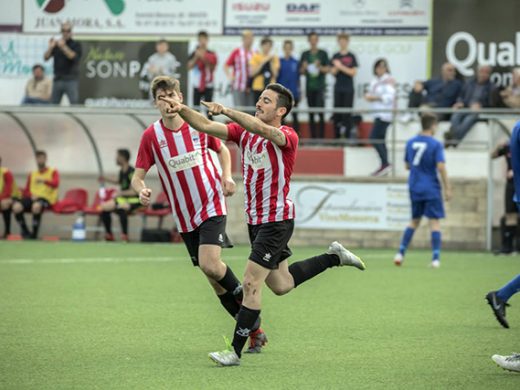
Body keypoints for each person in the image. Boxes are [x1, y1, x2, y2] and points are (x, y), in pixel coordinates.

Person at [159, 82, 366, 367]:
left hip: (277, 220)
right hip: (256, 222)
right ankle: (334, 257)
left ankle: (235, 351)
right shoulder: (245, 132)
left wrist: (228, 111)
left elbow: (263, 130)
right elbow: (207, 126)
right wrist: (181, 109)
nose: (259, 103)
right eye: (259, 99)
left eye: (266, 101)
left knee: (249, 284)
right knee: (282, 284)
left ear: (281, 110)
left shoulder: (287, 135)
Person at [131, 75, 268, 354]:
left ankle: (246, 302)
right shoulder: (151, 136)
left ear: (180, 98)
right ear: (156, 103)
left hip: (211, 204)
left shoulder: (197, 126)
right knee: (214, 282)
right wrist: (141, 189)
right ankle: (255, 331)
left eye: (172, 95)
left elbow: (223, 151)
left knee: (210, 264)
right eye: (162, 97)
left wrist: (227, 177)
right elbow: (138, 175)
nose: (168, 101)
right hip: (184, 216)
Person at [393, 113, 452, 268]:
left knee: (414, 220)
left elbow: (407, 165)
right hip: (431, 187)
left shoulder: (411, 142)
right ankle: (435, 259)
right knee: (434, 222)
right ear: (433, 126)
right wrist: (448, 187)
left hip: (415, 186)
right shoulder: (435, 144)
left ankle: (400, 253)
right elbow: (440, 166)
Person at [444, 65, 495, 147]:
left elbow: (492, 104)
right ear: (478, 72)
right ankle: (454, 139)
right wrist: (460, 102)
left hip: (479, 112)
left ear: (489, 74)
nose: (483, 74)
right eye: (482, 72)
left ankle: (453, 139)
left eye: (486, 72)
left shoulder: (492, 87)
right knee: (455, 116)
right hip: (466, 107)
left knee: (469, 119)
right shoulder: (469, 83)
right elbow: (461, 96)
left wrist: (481, 106)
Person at [12, 151, 59, 239]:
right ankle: (25, 231)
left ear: (46, 159)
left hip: (46, 198)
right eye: (38, 158)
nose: (40, 160)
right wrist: (31, 195)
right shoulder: (32, 173)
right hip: (32, 197)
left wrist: (44, 180)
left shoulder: (53, 171)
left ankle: (34, 234)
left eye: (42, 158)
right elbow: (26, 190)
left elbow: (56, 184)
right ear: (36, 160)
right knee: (16, 207)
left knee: (36, 206)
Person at [98, 149, 142, 242]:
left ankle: (125, 236)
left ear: (122, 158)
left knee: (122, 207)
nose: (116, 159)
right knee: (104, 208)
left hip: (135, 200)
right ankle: (109, 234)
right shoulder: (122, 171)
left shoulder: (131, 172)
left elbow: (134, 191)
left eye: (117, 156)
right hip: (124, 199)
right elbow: (119, 181)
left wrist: (119, 193)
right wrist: (105, 179)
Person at [364, 58, 396, 176]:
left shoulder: (388, 80)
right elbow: (371, 93)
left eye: (383, 67)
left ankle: (386, 163)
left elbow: (390, 97)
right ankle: (384, 165)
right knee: (380, 139)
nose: (381, 70)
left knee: (374, 137)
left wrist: (375, 98)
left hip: (385, 114)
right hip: (377, 113)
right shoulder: (375, 81)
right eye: (378, 67)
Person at [43, 22, 82, 105]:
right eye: (63, 31)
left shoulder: (76, 44)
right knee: (53, 105)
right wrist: (50, 47)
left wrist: (63, 47)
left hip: (70, 80)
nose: (65, 33)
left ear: (71, 32)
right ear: (61, 32)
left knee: (74, 104)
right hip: (58, 79)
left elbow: (73, 57)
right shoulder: (56, 44)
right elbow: (46, 58)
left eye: (68, 31)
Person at [491, 141, 519, 254]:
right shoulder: (508, 146)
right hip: (511, 185)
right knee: (510, 215)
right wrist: (498, 145)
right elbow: (492, 156)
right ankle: (508, 247)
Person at [300, 32, 329, 139]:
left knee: (320, 113)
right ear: (309, 41)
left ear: (317, 40)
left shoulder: (323, 53)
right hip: (309, 88)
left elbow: (327, 69)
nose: (313, 41)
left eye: (315, 39)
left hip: (320, 88)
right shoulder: (305, 54)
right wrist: (304, 67)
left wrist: (319, 66)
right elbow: (301, 72)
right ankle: (312, 138)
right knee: (311, 113)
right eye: (311, 39)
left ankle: (321, 138)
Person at [330, 33, 358, 139]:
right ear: (338, 42)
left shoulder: (351, 56)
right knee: (337, 113)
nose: (342, 43)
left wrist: (340, 66)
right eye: (340, 41)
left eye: (344, 40)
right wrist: (337, 67)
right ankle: (336, 137)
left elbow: (353, 72)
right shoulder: (335, 56)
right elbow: (332, 72)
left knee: (347, 113)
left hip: (349, 88)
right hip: (338, 88)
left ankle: (347, 136)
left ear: (347, 42)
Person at [225, 30, 255, 109]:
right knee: (239, 110)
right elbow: (226, 65)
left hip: (251, 87)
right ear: (243, 39)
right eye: (248, 38)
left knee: (251, 111)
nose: (250, 40)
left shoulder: (255, 52)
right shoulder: (237, 51)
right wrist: (230, 76)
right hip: (238, 86)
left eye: (251, 38)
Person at [187, 31, 218, 109]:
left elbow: (212, 68)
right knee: (196, 109)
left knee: (209, 109)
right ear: (198, 40)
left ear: (207, 40)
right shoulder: (194, 53)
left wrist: (203, 57)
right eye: (200, 40)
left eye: (204, 39)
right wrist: (196, 57)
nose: (202, 42)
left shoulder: (211, 53)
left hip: (208, 84)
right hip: (197, 84)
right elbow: (189, 66)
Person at [277, 40, 300, 133]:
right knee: (281, 116)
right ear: (283, 49)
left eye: (289, 48)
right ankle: (282, 137)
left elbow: (298, 79)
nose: (287, 50)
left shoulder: (295, 62)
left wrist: (299, 92)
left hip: (294, 93)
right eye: (286, 48)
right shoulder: (279, 62)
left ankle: (296, 137)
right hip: (282, 95)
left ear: (292, 49)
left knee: (295, 115)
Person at [249, 37, 280, 103]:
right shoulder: (256, 57)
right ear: (261, 46)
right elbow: (252, 73)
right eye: (265, 45)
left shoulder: (274, 58)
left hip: (270, 88)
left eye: (269, 46)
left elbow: (275, 74)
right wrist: (264, 61)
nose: (267, 48)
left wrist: (270, 62)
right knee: (257, 108)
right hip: (257, 87)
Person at [0, 157, 21, 238]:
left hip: (13, 197)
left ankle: (7, 232)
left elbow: (8, 192)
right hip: (2, 198)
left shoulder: (6, 172)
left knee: (4, 203)